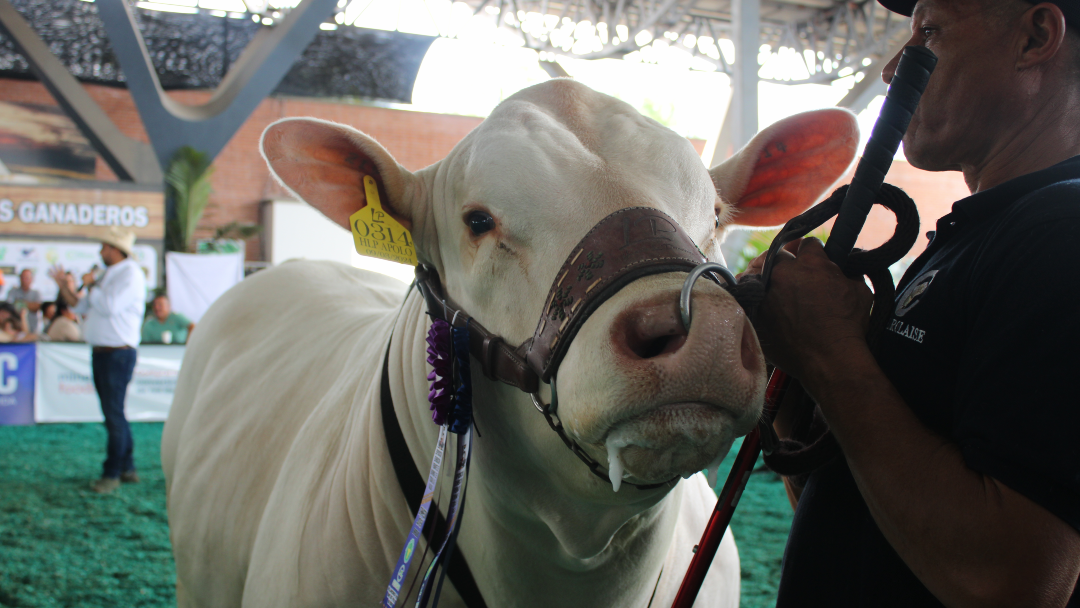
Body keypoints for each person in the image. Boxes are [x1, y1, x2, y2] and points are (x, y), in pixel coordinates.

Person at [750, 0, 1080, 606]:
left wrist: (832, 356)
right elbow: (866, 514)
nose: (892, 69)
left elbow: (1015, 585)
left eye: (928, 31)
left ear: (1035, 38)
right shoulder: (986, 233)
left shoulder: (1062, 234)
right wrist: (806, 390)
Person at [52, 227, 146, 494]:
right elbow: (81, 306)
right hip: (105, 352)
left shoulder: (130, 275)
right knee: (115, 413)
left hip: (117, 353)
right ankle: (127, 468)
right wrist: (65, 287)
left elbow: (109, 306)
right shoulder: (110, 274)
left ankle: (112, 473)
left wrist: (92, 284)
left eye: (105, 247)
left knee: (114, 415)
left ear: (116, 250)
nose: (101, 251)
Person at [7, 268, 42, 334]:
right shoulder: (13, 291)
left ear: (32, 279)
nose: (24, 280)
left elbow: (37, 307)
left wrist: (18, 303)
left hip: (32, 327)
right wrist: (29, 304)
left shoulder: (36, 293)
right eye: (23, 277)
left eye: (27, 278)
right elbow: (9, 306)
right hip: (15, 328)